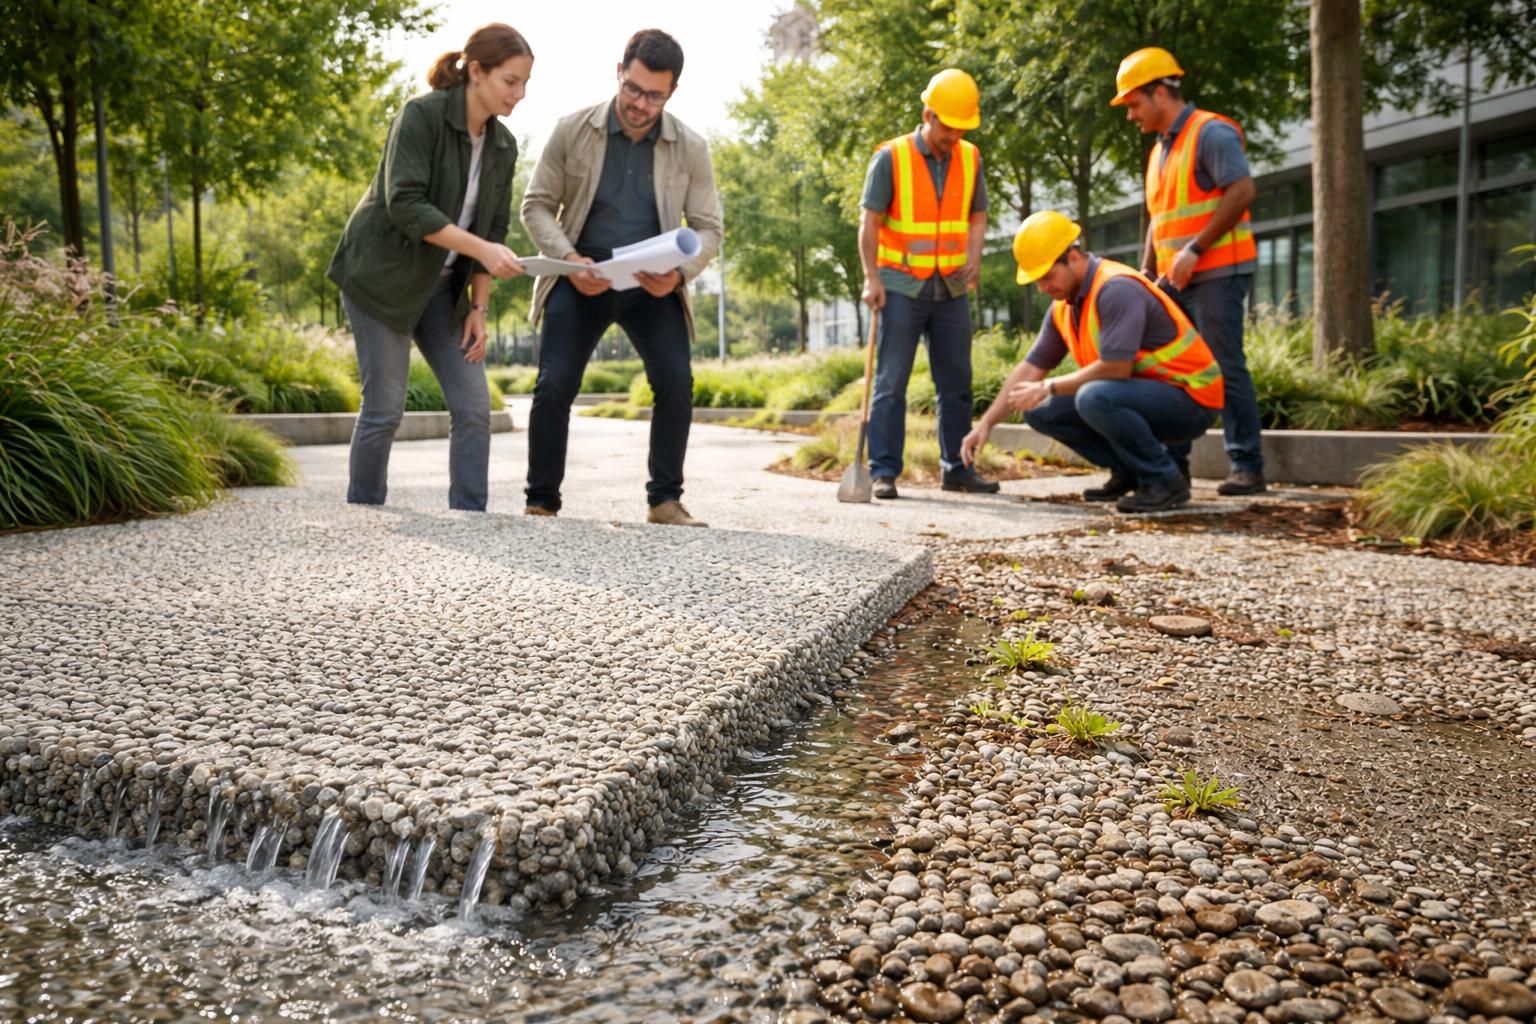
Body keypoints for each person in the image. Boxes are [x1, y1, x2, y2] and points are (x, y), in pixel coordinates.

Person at [520, 29, 722, 527]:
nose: (639, 103)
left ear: (671, 93)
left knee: (676, 381)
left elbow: (709, 228)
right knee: (554, 385)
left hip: (653, 284)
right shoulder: (571, 130)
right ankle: (541, 501)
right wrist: (569, 257)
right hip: (582, 275)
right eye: (633, 88)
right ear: (619, 71)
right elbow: (537, 205)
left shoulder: (691, 147)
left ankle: (664, 502)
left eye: (654, 95)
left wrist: (678, 276)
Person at [327, 24, 530, 511]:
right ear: (476, 72)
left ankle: (470, 518)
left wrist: (478, 307)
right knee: (384, 408)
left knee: (474, 407)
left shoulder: (503, 147)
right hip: (381, 280)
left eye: (525, 83)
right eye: (510, 81)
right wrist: (480, 249)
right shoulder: (421, 116)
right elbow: (406, 204)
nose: (519, 94)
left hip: (443, 291)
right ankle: (364, 511)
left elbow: (493, 230)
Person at [960, 211, 1224, 514]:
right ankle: (1131, 471)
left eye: (1047, 276)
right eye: (1037, 281)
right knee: (1039, 410)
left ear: (1072, 257)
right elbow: (1029, 369)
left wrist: (1049, 386)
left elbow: (1116, 368)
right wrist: (986, 425)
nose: (1044, 288)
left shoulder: (1115, 288)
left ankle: (1164, 481)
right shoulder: (1064, 306)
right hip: (1147, 396)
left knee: (1094, 397)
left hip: (1193, 399)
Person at [1113, 46, 1265, 495]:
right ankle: (1175, 469)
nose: (1130, 115)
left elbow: (1241, 191)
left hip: (1218, 272)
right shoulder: (1160, 151)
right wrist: (1145, 272)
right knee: (1172, 369)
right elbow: (1158, 219)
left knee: (1225, 366)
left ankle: (1247, 465)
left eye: (1134, 104)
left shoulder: (1210, 134)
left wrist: (1195, 249)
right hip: (1173, 281)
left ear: (1161, 93)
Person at [858, 68, 997, 500]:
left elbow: (977, 215)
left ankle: (957, 468)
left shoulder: (970, 158)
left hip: (951, 287)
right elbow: (870, 222)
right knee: (891, 381)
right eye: (947, 127)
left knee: (956, 382)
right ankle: (883, 470)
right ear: (928, 114)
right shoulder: (891, 158)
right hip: (901, 285)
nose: (953, 137)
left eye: (960, 129)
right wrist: (871, 277)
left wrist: (974, 258)